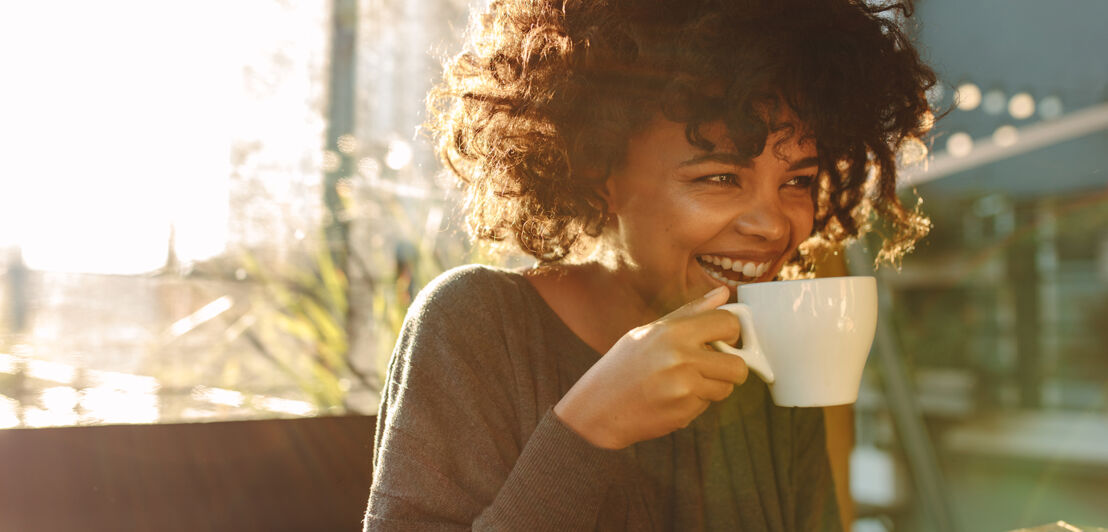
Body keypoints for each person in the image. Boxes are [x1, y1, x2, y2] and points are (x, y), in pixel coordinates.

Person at [365, 0, 936, 529]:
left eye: (799, 181)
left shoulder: (771, 353)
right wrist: (587, 430)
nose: (774, 224)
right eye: (720, 177)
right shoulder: (477, 326)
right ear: (596, 169)